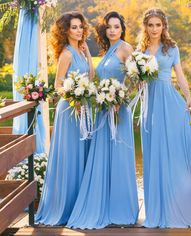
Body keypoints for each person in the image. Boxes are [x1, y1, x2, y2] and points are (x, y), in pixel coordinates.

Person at [67, 11, 139, 229]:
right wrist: (88, 55)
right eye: (109, 27)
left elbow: (137, 80)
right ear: (104, 29)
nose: (112, 30)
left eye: (116, 26)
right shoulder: (107, 50)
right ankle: (102, 203)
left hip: (118, 111)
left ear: (122, 28)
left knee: (118, 155)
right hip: (102, 109)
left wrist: (121, 97)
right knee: (101, 155)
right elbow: (94, 76)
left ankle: (121, 207)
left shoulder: (126, 49)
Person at [139, 8, 191, 228]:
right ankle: (158, 208)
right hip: (149, 104)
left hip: (169, 101)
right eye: (150, 25)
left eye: (157, 25)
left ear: (163, 26)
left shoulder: (172, 48)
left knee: (174, 151)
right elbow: (137, 79)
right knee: (154, 152)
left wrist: (188, 97)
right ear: (145, 27)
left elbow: (179, 75)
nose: (154, 29)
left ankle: (180, 203)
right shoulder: (139, 50)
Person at [35, 11, 93, 225]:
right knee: (70, 156)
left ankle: (80, 203)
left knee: (83, 155)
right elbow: (58, 85)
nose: (78, 30)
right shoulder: (67, 53)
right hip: (69, 110)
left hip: (84, 108)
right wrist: (73, 98)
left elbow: (91, 77)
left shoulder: (80, 49)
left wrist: (87, 56)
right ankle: (65, 207)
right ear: (65, 30)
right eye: (74, 27)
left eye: (80, 27)